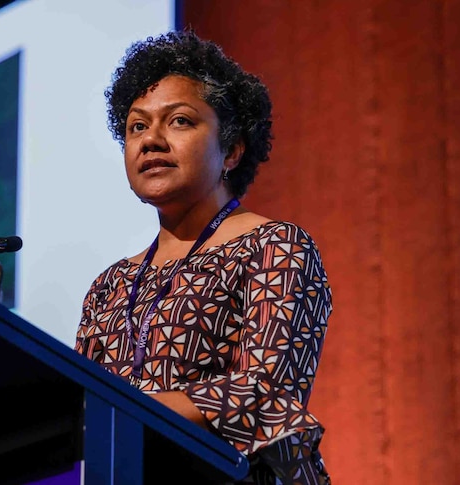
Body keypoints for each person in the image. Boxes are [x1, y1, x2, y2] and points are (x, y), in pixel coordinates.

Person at [74, 30, 333, 484]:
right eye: (137, 126)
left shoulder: (274, 247)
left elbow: (265, 391)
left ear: (231, 150)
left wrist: (128, 409)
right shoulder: (108, 287)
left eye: (179, 121)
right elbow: (79, 413)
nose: (150, 140)